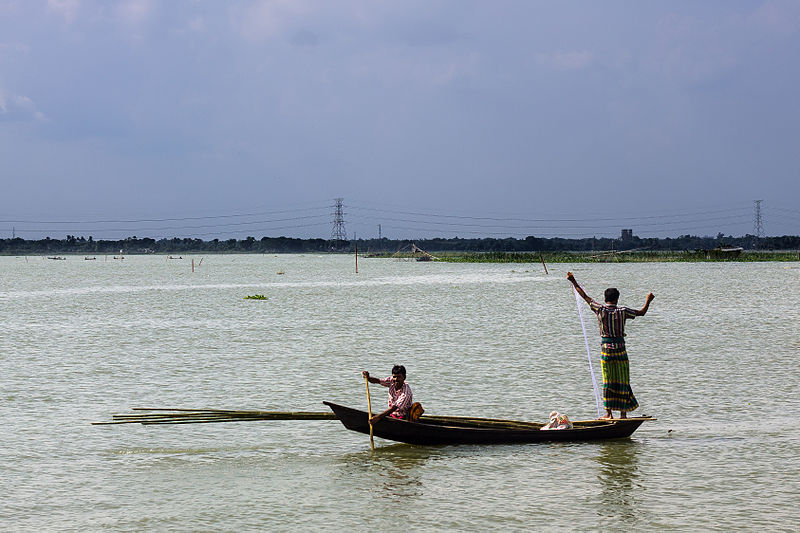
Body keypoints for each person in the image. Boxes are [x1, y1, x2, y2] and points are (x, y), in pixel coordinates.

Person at [567, 271, 654, 419]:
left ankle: (609, 414)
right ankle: (623, 415)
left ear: (605, 298)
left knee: (608, 381)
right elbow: (641, 312)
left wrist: (573, 281)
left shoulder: (600, 309)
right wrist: (648, 300)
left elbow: (585, 297)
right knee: (622, 381)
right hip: (621, 351)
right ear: (617, 299)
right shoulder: (623, 311)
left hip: (606, 351)